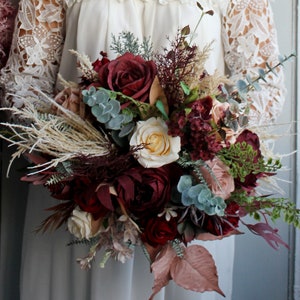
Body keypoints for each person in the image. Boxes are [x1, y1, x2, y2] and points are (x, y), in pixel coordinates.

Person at [0, 0, 285, 300]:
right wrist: (82, 146)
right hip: (83, 206)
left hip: (189, 213)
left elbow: (264, 86)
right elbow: (23, 83)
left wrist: (202, 143)